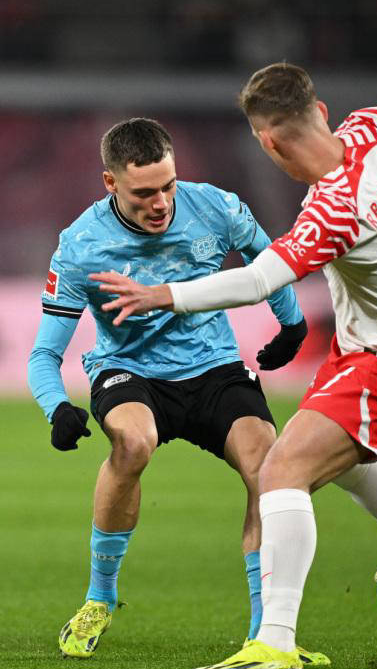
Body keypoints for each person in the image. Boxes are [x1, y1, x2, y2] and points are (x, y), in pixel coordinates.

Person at [92, 63, 377, 669]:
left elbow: (257, 280)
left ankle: (275, 644)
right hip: (367, 349)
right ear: (323, 111)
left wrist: (164, 294)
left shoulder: (333, 212)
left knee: (282, 472)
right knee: (345, 457)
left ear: (269, 142)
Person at [28, 117, 315, 660]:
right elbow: (44, 354)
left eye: (168, 186)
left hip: (215, 368)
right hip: (128, 370)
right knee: (132, 444)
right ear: (110, 183)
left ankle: (264, 634)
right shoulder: (81, 245)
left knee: (270, 470)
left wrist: (292, 324)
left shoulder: (217, 208)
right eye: (143, 193)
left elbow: (270, 262)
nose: (160, 203)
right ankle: (100, 598)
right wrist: (56, 408)